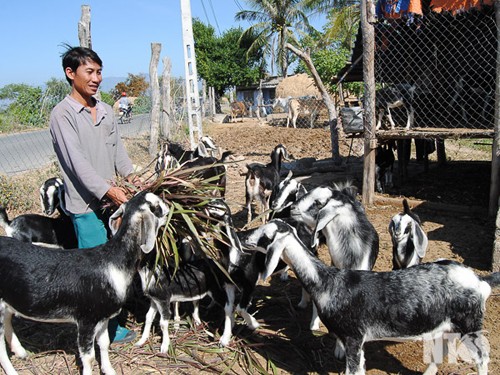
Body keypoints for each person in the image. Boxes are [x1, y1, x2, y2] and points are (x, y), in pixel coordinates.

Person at [49, 46, 137, 344]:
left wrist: (133, 178)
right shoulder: (62, 115)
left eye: (99, 72)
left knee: (115, 264)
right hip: (85, 204)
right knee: (98, 273)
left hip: (112, 202)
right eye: (90, 72)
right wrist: (109, 190)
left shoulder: (107, 110)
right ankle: (102, 333)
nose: (97, 78)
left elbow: (119, 154)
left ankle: (111, 322)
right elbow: (77, 164)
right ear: (70, 73)